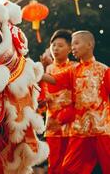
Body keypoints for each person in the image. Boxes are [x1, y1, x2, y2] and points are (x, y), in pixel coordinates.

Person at [42, 30, 110, 174]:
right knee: (68, 169)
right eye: (72, 44)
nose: (73, 47)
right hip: (80, 130)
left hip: (102, 128)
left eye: (76, 43)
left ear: (89, 45)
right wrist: (32, 70)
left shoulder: (104, 70)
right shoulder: (73, 71)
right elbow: (53, 79)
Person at [40, 29, 75, 174]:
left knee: (71, 165)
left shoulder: (74, 67)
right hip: (53, 123)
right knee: (54, 164)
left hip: (72, 122)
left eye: (60, 45)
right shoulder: (47, 69)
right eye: (53, 45)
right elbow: (41, 95)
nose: (56, 48)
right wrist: (41, 103)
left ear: (70, 48)